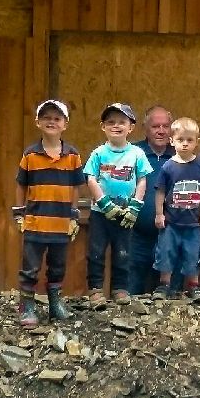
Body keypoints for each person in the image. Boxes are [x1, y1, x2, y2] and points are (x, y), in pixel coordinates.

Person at [11, 99, 85, 327]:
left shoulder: (72, 155)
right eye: (46, 118)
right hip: (35, 223)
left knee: (58, 266)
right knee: (30, 267)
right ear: (38, 122)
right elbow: (21, 185)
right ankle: (26, 306)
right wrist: (19, 214)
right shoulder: (30, 155)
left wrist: (74, 216)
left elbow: (76, 187)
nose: (51, 122)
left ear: (65, 124)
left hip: (61, 224)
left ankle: (55, 303)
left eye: (57, 118)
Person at [83, 102, 152, 306]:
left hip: (125, 213)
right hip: (100, 213)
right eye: (111, 122)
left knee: (123, 252)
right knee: (96, 252)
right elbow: (91, 178)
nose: (116, 125)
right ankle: (95, 290)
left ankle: (120, 288)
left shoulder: (137, 153)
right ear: (103, 126)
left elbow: (142, 179)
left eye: (122, 122)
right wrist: (104, 203)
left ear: (131, 127)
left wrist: (136, 205)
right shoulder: (98, 153)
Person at [152, 117, 200, 302]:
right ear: (172, 141)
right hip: (171, 222)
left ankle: (193, 286)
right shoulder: (168, 166)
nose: (185, 144)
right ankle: (164, 285)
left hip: (194, 222)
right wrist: (159, 214)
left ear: (196, 142)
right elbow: (160, 191)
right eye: (180, 140)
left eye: (189, 140)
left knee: (193, 253)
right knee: (166, 252)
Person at [129, 105, 176, 295]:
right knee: (131, 293)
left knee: (170, 297)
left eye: (166, 126)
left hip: (171, 235)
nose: (161, 131)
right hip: (135, 236)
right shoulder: (132, 153)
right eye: (156, 126)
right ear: (145, 128)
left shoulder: (180, 154)